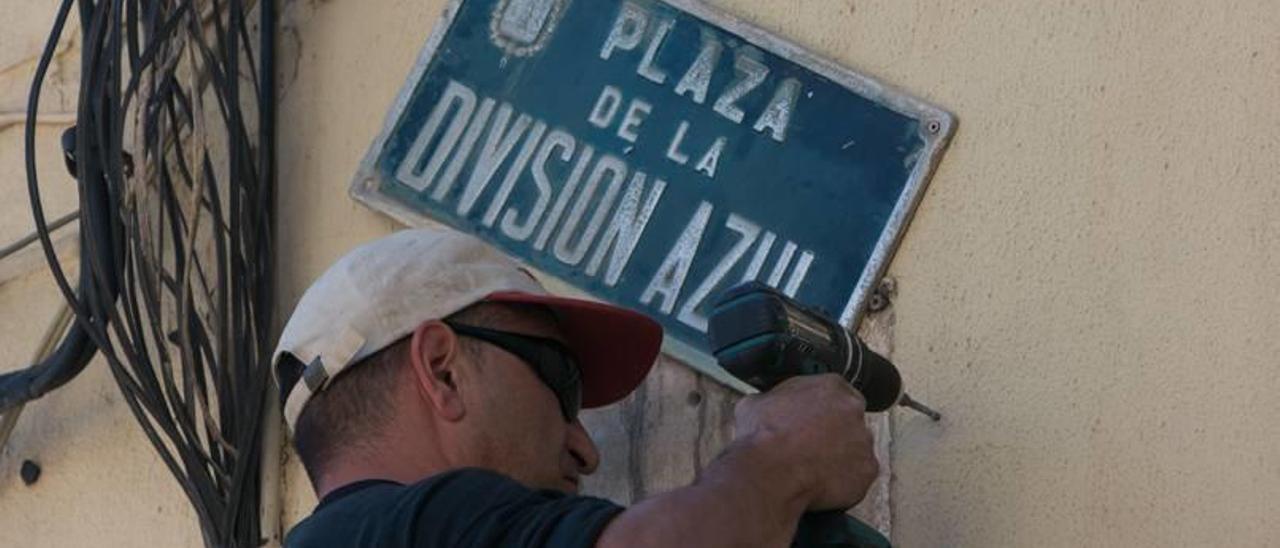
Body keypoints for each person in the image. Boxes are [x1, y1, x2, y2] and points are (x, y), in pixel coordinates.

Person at [276, 228, 879, 547]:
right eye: (561, 383)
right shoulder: (408, 528)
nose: (585, 450)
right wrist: (782, 455)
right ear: (442, 370)